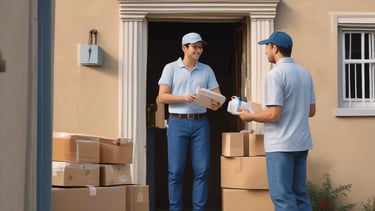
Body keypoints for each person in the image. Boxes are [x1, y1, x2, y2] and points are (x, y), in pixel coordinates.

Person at [239, 31, 316, 211]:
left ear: (274, 47)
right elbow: (311, 111)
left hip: (281, 145)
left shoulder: (275, 74)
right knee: (300, 194)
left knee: (282, 197)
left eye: (267, 46)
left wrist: (249, 116)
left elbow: (274, 114)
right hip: (301, 143)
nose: (265, 51)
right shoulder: (305, 73)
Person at [157, 32, 222, 211]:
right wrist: (184, 98)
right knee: (176, 171)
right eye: (195, 47)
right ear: (184, 48)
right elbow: (162, 97)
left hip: (200, 124)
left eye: (200, 47)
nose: (198, 50)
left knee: (202, 170)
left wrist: (214, 102)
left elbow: (218, 97)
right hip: (177, 122)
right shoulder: (170, 68)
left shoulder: (207, 70)